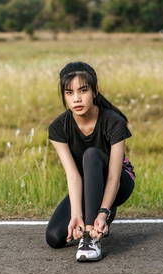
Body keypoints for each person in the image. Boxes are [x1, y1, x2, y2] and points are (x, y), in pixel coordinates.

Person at [45, 61, 136, 262]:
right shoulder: (58, 128)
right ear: (64, 96)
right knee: (54, 238)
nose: (76, 98)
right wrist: (76, 214)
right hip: (88, 185)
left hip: (119, 182)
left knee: (91, 154)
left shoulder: (114, 121)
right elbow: (73, 175)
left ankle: (90, 238)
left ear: (95, 91)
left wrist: (103, 213)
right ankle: (90, 218)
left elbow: (113, 176)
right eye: (69, 93)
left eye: (83, 90)